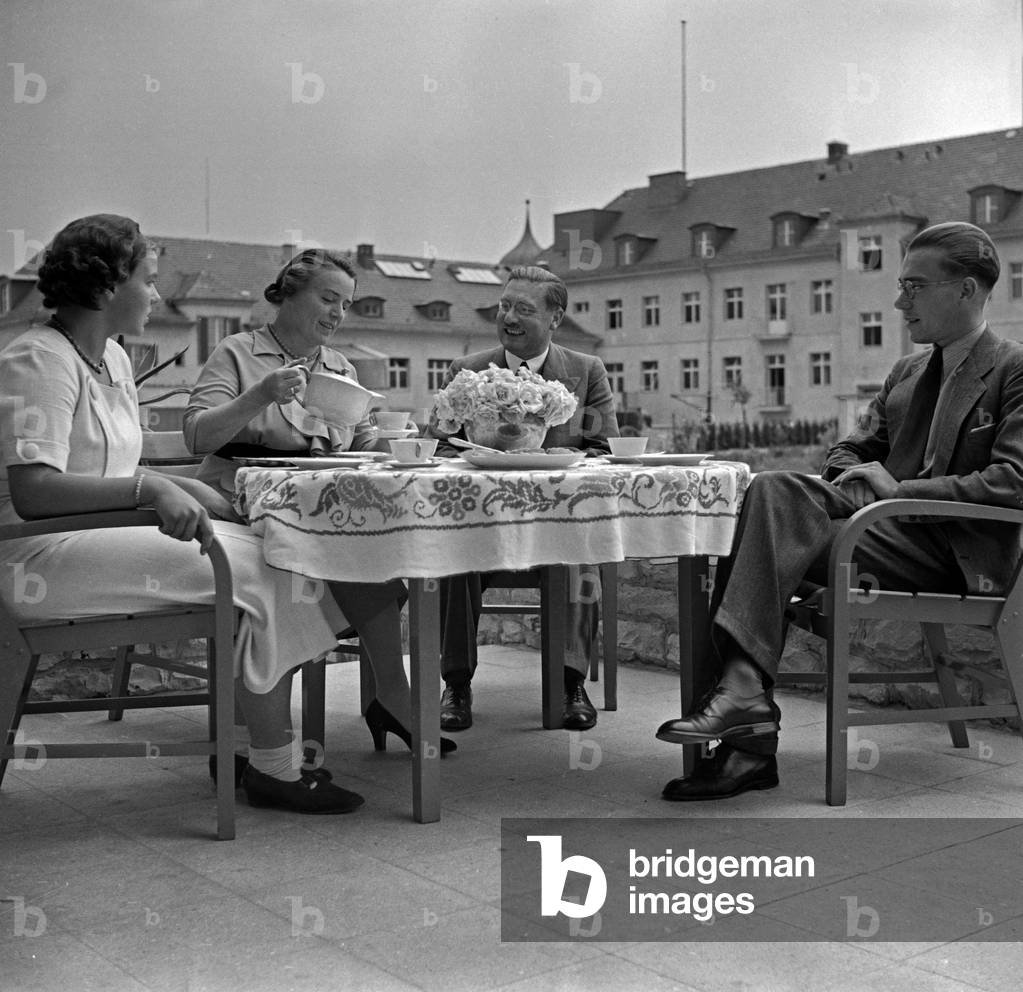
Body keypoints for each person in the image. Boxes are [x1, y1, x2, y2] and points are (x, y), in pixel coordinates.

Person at [0, 214, 368, 814]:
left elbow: (116, 470)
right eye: (147, 280)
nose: (156, 293)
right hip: (39, 553)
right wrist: (154, 489)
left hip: (93, 537)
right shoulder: (38, 359)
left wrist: (192, 492)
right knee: (267, 572)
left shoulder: (113, 360)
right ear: (104, 286)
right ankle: (270, 767)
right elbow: (36, 492)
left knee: (279, 556)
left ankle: (249, 752)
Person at [655, 221, 1023, 800]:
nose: (899, 300)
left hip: (955, 549)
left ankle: (745, 731)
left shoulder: (1013, 370)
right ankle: (744, 700)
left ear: (967, 290)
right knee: (773, 493)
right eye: (900, 285)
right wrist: (858, 483)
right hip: (879, 531)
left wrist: (897, 490)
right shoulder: (905, 373)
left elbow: (1014, 482)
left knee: (769, 514)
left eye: (915, 286)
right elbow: (849, 449)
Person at [184, 248, 454, 757]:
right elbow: (197, 435)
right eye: (328, 298)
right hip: (238, 509)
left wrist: (400, 441)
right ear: (288, 293)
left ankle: (388, 698)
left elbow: (359, 447)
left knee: (374, 559)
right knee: (358, 562)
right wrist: (260, 395)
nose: (337, 313)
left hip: (314, 513)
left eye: (346, 305)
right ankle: (390, 700)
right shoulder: (238, 353)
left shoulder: (339, 366)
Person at [428, 265, 619, 732]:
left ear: (555, 318)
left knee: (579, 548)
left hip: (557, 523)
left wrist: (556, 455)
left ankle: (571, 682)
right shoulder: (467, 372)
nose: (509, 317)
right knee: (455, 554)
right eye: (504, 306)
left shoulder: (585, 371)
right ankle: (456, 683)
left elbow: (604, 452)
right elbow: (437, 449)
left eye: (524, 309)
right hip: (482, 522)